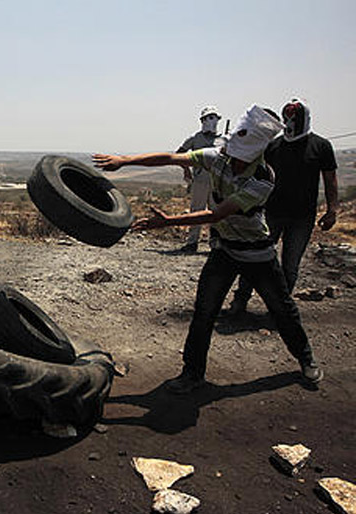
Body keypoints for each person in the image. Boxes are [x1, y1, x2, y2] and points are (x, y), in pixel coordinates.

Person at [93, 105, 323, 393]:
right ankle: (192, 374)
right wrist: (124, 161)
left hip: (257, 254)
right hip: (225, 250)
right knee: (204, 311)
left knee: (282, 310)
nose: (229, 151)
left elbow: (216, 215)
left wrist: (167, 222)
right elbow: (171, 158)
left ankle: (306, 359)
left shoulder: (262, 179)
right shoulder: (218, 159)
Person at [229, 97, 339, 314]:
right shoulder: (274, 146)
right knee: (254, 257)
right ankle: (240, 301)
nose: (289, 124)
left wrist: (332, 210)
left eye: (293, 119)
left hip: (302, 216)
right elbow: (256, 174)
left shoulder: (320, 146)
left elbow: (330, 179)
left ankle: (279, 310)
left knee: (290, 265)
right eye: (286, 118)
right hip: (271, 212)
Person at [176, 106, 225, 253]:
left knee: (216, 212)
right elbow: (179, 154)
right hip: (200, 180)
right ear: (202, 120)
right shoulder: (195, 138)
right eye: (208, 118)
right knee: (196, 210)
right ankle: (192, 242)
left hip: (218, 181)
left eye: (213, 117)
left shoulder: (224, 139)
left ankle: (216, 244)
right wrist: (186, 170)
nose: (211, 121)